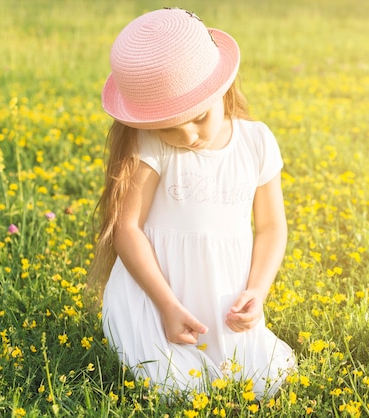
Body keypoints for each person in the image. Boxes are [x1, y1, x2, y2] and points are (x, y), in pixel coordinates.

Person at [88, 7, 295, 398]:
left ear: (223, 91)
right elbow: (127, 229)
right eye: (168, 127)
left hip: (223, 303)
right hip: (156, 297)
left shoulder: (257, 142)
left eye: (198, 117)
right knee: (177, 387)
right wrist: (166, 305)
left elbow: (271, 227)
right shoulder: (149, 144)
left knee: (266, 380)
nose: (187, 136)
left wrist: (258, 290)